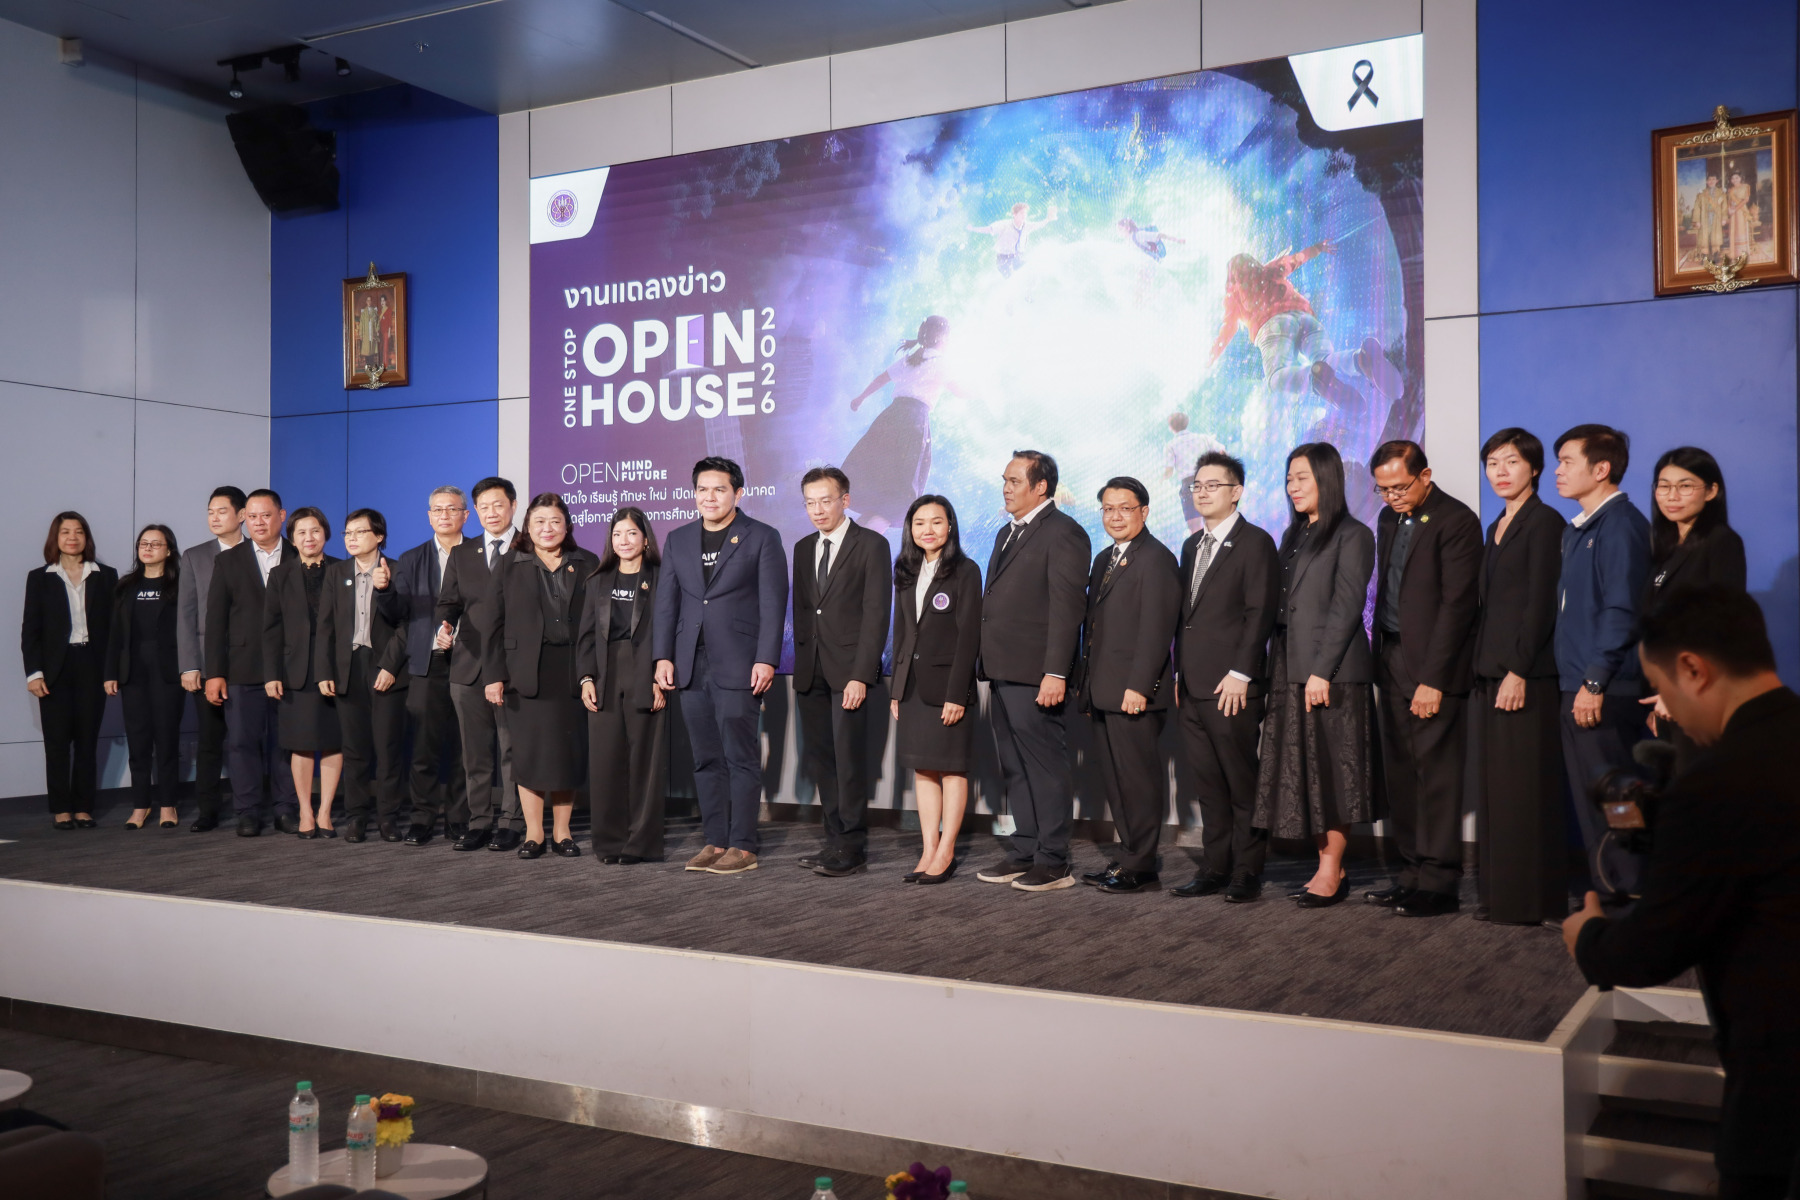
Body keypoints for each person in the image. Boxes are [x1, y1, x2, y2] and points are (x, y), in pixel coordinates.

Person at [1564, 587, 1800, 1200]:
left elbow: (1650, 951)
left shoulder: (1719, 784)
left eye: (1662, 689)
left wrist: (1588, 937)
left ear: (1693, 668)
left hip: (1776, 1073)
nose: (1667, 711)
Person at [1251, 443, 1376, 907]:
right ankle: (1325, 864)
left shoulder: (1353, 534)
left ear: (1327, 478)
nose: (1292, 486)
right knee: (1304, 771)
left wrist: (1321, 671)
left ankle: (1331, 869)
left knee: (1333, 771)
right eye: (1289, 478)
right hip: (1289, 665)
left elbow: (1347, 608)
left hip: (1331, 673)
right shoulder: (1294, 534)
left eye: (1301, 477)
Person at [1364, 440, 1482, 918]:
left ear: (1425, 475)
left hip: (1433, 667)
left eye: (1400, 486)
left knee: (1436, 776)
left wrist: (1434, 678)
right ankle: (1411, 874)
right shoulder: (1387, 519)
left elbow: (1458, 605)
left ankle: (1439, 883)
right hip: (1391, 656)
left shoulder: (1456, 521)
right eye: (1383, 489)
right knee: (1401, 774)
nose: (1391, 496)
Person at [654, 457, 788, 875]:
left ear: (738, 493)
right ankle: (714, 840)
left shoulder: (761, 536)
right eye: (702, 490)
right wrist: (662, 656)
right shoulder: (677, 539)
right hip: (690, 664)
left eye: (719, 489)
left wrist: (766, 658)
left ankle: (743, 845)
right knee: (705, 758)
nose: (709, 497)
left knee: (740, 757)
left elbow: (773, 604)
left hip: (740, 663)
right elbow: (666, 604)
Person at [975, 450, 1092, 892]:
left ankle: (1053, 859)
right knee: (1015, 766)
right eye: (1004, 480)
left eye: (1014, 481)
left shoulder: (1064, 532)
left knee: (1045, 767)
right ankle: (1025, 849)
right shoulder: (1007, 532)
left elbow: (1067, 609)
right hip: (1002, 669)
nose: (1005, 488)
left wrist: (1055, 672)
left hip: (1037, 675)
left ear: (1041, 487)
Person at [1170, 451, 1280, 901]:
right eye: (1197, 485)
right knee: (1208, 784)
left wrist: (1241, 672)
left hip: (1232, 686)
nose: (1201, 492)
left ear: (1237, 492)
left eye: (1212, 485)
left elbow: (1260, 613)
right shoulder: (1191, 545)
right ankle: (1215, 866)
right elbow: (1188, 619)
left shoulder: (1256, 542)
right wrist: (1178, 673)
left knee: (1240, 782)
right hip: (1193, 685)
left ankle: (1247, 870)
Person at [1472, 429, 1569, 926]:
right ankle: (1501, 898)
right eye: (1492, 463)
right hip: (1491, 673)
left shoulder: (1545, 522)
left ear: (1534, 468)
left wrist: (1518, 669)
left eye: (1511, 461)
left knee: (1528, 793)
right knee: (1498, 793)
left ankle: (1536, 902)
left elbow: (1540, 605)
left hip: (1526, 676)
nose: (1500, 471)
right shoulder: (1497, 524)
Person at [1553, 424, 1651, 905]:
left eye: (1567, 461)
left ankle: (1632, 894)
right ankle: (1613, 891)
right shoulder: (1580, 529)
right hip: (1578, 686)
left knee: (1618, 798)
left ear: (1601, 469)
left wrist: (1594, 681)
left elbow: (1621, 610)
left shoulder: (1621, 526)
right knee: (1596, 800)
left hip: (1605, 691)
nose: (1558, 470)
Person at [1077, 477, 1180, 894]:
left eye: (1125, 508)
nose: (1115, 516)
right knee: (1117, 781)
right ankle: (1129, 859)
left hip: (1133, 694)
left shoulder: (1156, 559)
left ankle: (1141, 864)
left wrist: (1139, 686)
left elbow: (1157, 630)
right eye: (1108, 508)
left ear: (1145, 511)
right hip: (1103, 691)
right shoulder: (1105, 558)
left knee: (1137, 781)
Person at [483, 493, 598, 859]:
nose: (547, 528)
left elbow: (595, 624)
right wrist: (493, 675)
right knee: (529, 755)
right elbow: (492, 623)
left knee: (566, 754)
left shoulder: (587, 562)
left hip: (572, 670)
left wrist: (591, 673)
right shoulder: (509, 563)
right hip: (524, 673)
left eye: (555, 522)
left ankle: (563, 833)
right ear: (528, 528)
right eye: (539, 522)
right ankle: (533, 833)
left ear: (568, 526)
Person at [790, 467, 893, 877]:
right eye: (810, 503)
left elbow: (876, 614)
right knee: (822, 760)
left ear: (845, 500)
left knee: (849, 760)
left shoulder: (871, 544)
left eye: (825, 501)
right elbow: (803, 610)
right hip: (810, 670)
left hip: (849, 672)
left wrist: (861, 674)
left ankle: (852, 846)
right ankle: (833, 840)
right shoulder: (802, 547)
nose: (817, 510)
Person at [889, 495, 982, 884]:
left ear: (950, 526)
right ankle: (928, 849)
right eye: (919, 523)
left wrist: (957, 694)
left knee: (951, 768)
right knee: (923, 769)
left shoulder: (965, 571)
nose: (928, 529)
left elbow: (969, 636)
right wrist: (896, 688)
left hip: (947, 689)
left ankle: (947, 851)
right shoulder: (906, 570)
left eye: (936, 522)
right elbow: (901, 631)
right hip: (912, 687)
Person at [435, 476, 526, 852]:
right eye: (484, 507)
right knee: (474, 753)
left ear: (513, 506)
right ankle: (479, 821)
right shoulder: (462, 553)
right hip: (468, 666)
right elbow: (448, 603)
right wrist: (444, 626)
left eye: (498, 505)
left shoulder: (530, 547)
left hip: (514, 667)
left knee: (512, 750)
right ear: (474, 512)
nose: (491, 512)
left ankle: (512, 821)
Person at [1642, 446, 1746, 760]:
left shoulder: (1721, 541)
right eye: (1664, 486)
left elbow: (1721, 624)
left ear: (1712, 491)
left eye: (1685, 486)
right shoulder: (1666, 548)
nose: (1672, 496)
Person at [381, 486, 471, 846]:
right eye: (437, 509)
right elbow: (398, 615)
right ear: (429, 515)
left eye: (452, 509)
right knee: (423, 747)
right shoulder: (411, 558)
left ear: (466, 515)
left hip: (469, 662)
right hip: (427, 662)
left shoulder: (478, 554)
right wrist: (384, 590)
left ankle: (460, 818)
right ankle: (422, 818)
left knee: (466, 746)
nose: (444, 515)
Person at [205, 488, 298, 836]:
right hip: (242, 667)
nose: (259, 523)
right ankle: (247, 811)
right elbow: (216, 621)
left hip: (290, 667)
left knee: (286, 742)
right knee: (242, 742)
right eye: (253, 516)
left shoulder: (299, 554)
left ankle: (286, 808)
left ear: (281, 516)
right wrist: (215, 672)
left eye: (266, 515)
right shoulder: (228, 561)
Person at [578, 507, 668, 864]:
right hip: (604, 673)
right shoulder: (597, 581)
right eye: (617, 534)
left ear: (645, 539)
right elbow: (586, 636)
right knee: (605, 762)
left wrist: (660, 677)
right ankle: (609, 843)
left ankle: (641, 845)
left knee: (645, 763)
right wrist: (586, 678)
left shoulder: (662, 577)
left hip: (645, 671)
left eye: (632, 533)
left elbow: (668, 631)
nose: (624, 540)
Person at [315, 509, 409, 844]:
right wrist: (324, 670)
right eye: (348, 533)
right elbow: (325, 626)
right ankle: (356, 817)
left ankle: (388, 817)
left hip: (385, 666)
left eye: (360, 532)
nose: (352, 539)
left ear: (379, 536)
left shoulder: (398, 570)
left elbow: (406, 624)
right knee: (354, 749)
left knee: (388, 748)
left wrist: (390, 666)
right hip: (348, 667)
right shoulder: (337, 572)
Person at [23, 512, 116, 830]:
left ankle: (84, 807)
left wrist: (112, 671)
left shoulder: (105, 575)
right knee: (57, 742)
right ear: (56, 538)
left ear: (86, 537)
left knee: (88, 741)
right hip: (55, 670)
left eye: (78, 532)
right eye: (65, 532)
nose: (72, 537)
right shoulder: (39, 577)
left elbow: (114, 629)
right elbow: (30, 631)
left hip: (92, 664)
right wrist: (34, 673)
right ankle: (62, 808)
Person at [841, 317, 973, 532]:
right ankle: (863, 543)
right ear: (944, 339)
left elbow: (881, 379)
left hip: (891, 417)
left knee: (878, 475)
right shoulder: (941, 363)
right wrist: (980, 393)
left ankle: (855, 538)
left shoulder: (911, 359)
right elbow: (959, 391)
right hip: (914, 423)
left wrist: (860, 398)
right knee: (901, 491)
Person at [263, 508, 342, 839]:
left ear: (326, 534)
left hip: (336, 667)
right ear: (292, 539)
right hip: (295, 669)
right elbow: (271, 629)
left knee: (333, 741)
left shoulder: (342, 569)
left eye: (315, 531)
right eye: (301, 533)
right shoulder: (280, 575)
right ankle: (306, 812)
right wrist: (271, 674)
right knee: (302, 744)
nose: (309, 538)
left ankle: (325, 812)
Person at [103, 525, 184, 829]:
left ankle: (168, 805)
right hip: (133, 673)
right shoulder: (126, 586)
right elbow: (114, 633)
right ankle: (140, 805)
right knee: (138, 741)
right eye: (143, 543)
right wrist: (110, 672)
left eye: (155, 544)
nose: (147, 548)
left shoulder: (180, 584)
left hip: (168, 672)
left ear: (169, 550)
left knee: (166, 739)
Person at [176, 486, 244, 832]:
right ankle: (208, 810)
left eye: (222, 511)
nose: (214, 518)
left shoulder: (257, 552)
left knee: (249, 739)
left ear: (241, 515)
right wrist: (190, 665)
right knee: (209, 740)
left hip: (248, 662)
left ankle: (252, 807)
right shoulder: (194, 556)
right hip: (206, 663)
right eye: (210, 512)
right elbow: (186, 614)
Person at [1162, 412, 1225, 534]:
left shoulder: (1170, 446)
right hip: (1207, 481)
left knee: (1195, 529)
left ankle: (1201, 546)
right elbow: (1222, 452)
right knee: (1213, 523)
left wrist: (1161, 479)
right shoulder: (1203, 438)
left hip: (1189, 486)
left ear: (1171, 427)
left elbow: (1169, 471)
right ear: (1187, 422)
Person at [968, 200, 1057, 277]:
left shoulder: (1026, 226)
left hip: (1017, 257)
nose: (1024, 216)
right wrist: (973, 229)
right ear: (1014, 214)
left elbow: (1039, 225)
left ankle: (1027, 291)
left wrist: (1048, 219)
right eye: (1022, 213)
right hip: (1003, 259)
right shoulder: (1004, 225)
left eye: (1025, 213)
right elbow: (989, 229)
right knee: (1011, 278)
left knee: (1031, 270)